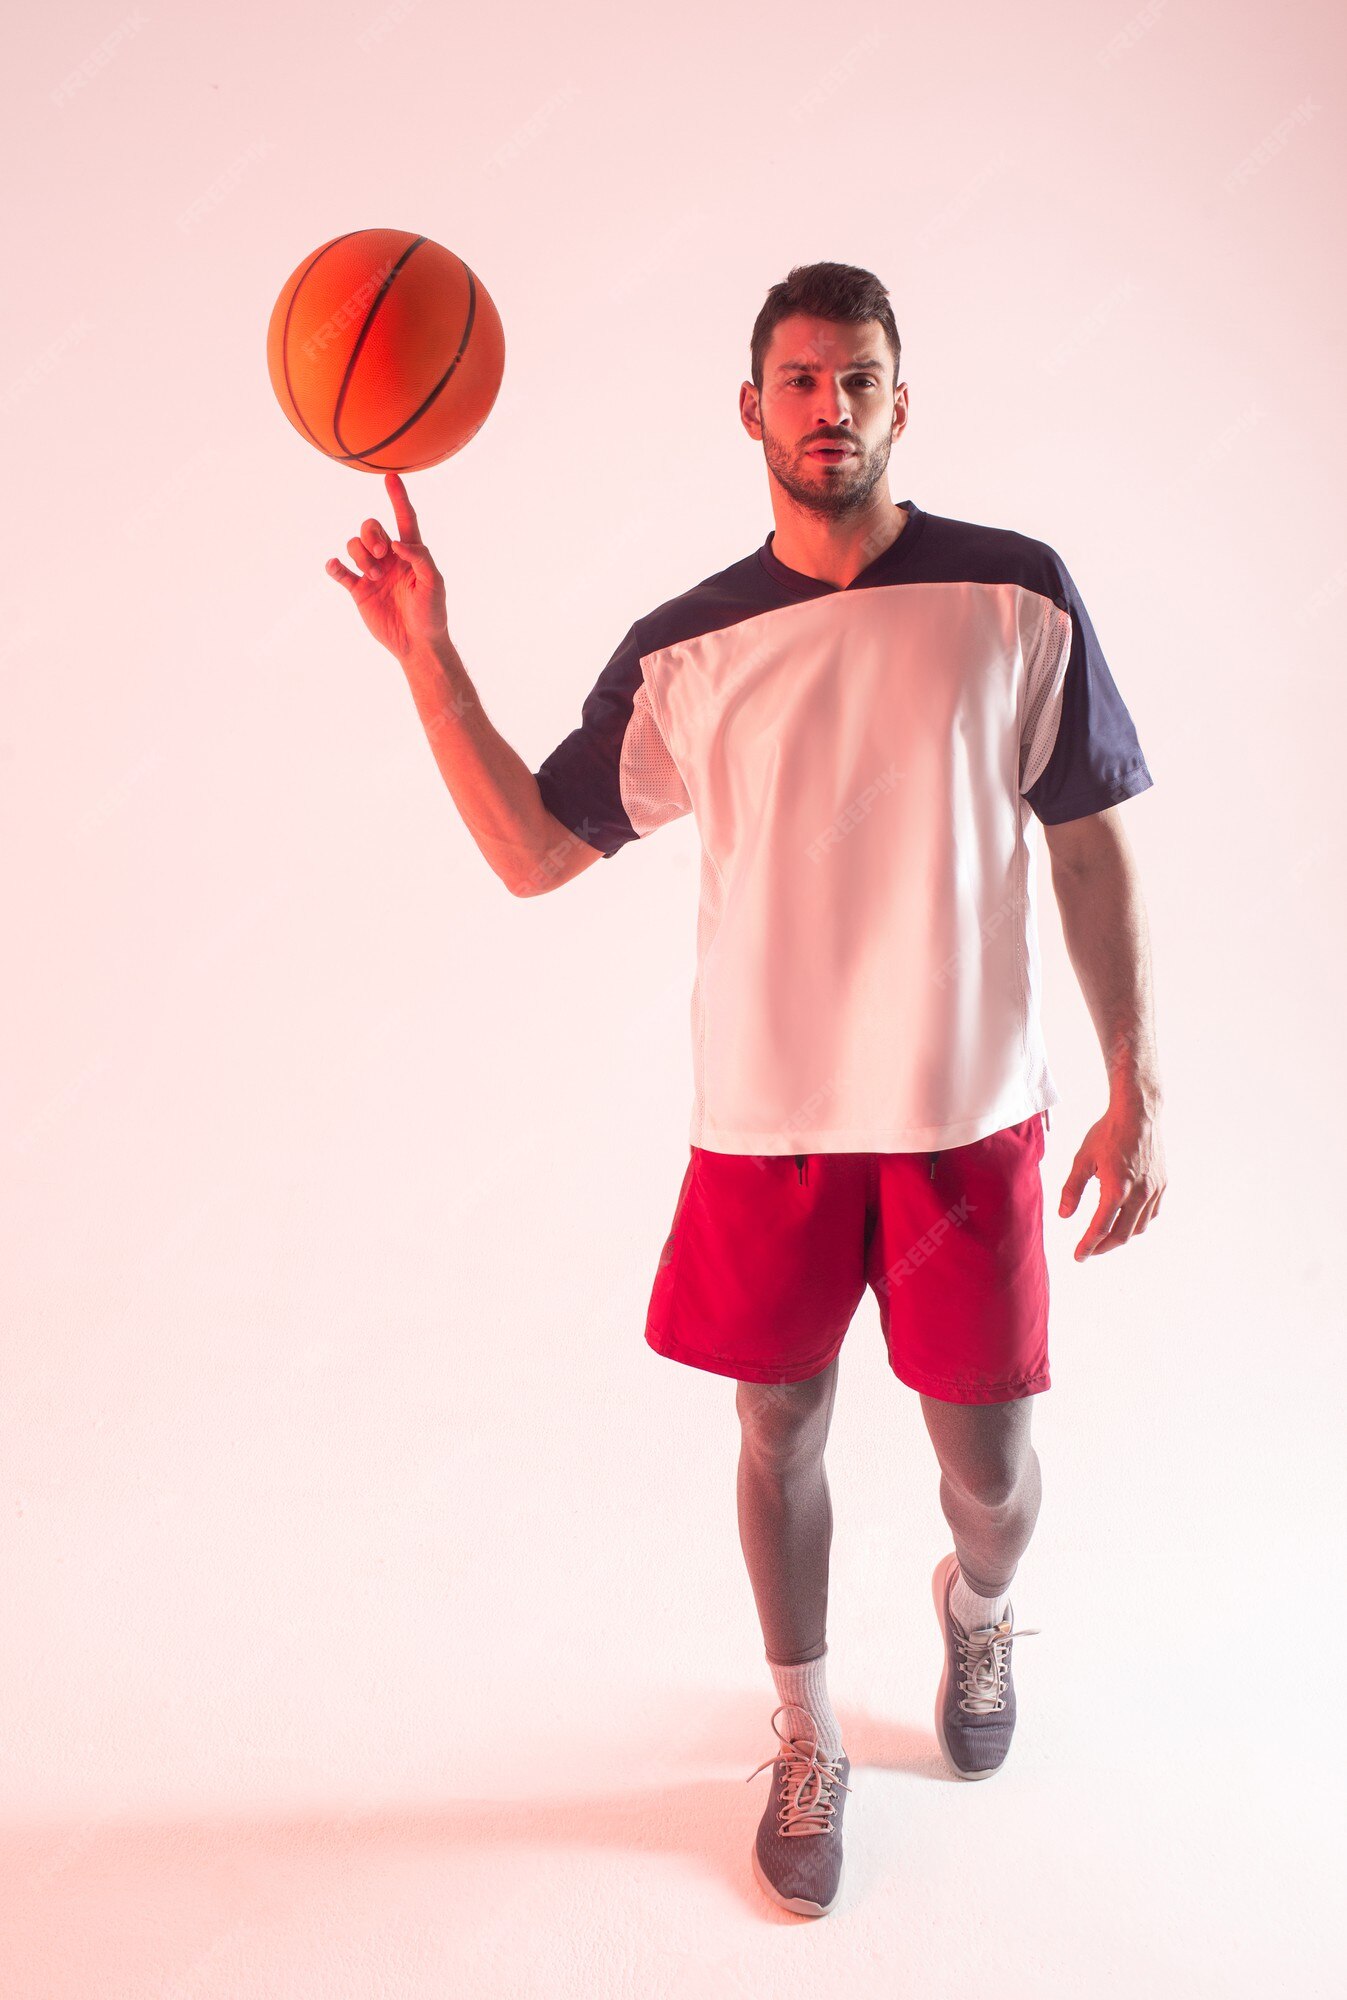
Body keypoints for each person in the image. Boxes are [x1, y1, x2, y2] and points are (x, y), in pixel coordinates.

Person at [325, 260, 1167, 1922]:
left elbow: (1089, 837)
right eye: (798, 380)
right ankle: (805, 1733)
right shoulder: (690, 646)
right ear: (752, 408)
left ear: (900, 403)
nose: (829, 409)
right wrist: (429, 653)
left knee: (989, 1472)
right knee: (776, 1427)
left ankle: (979, 1612)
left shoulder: (1018, 593)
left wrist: (1140, 1071)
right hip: (769, 1125)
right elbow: (530, 851)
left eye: (859, 380)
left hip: (962, 1112)